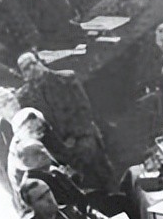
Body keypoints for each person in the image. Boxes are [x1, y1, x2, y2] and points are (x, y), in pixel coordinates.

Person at [16, 50, 111, 189]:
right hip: (57, 150)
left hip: (83, 138)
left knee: (100, 177)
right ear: (24, 75)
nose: (32, 68)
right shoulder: (25, 97)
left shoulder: (66, 79)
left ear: (41, 62)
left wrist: (73, 137)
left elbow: (84, 110)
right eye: (26, 68)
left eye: (33, 63)